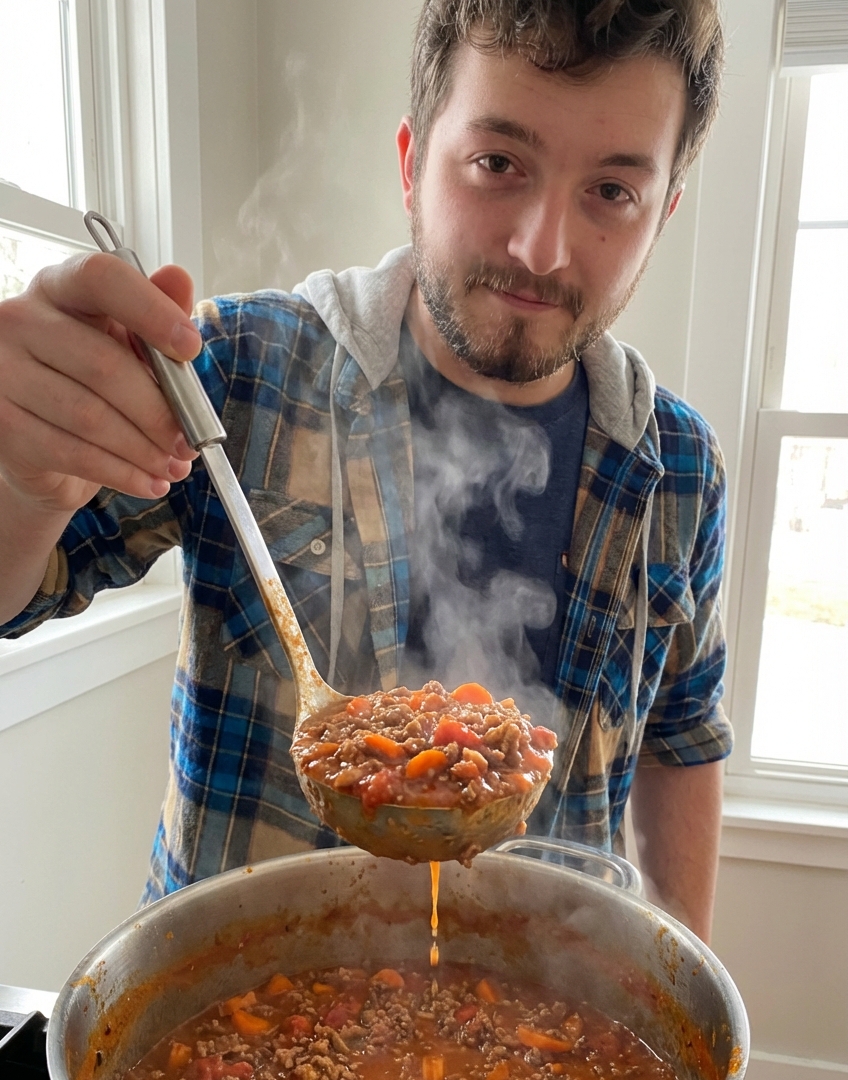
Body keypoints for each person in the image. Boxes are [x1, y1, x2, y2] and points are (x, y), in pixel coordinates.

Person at [0, 0, 732, 942]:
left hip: (542, 1017)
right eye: (498, 164)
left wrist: (685, 975)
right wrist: (22, 481)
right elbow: (17, 595)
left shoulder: (679, 467)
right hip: (231, 1001)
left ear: (662, 212)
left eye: (612, 192)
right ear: (412, 164)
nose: (541, 248)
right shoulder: (238, 370)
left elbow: (682, 736)